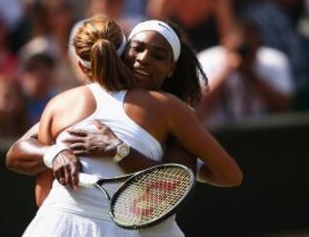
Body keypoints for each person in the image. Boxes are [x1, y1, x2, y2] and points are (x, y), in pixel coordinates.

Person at [17, 16, 242, 236]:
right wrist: (55, 153)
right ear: (122, 51)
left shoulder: (173, 111)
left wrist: (119, 150)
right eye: (137, 48)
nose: (144, 59)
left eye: (158, 55)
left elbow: (226, 176)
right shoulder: (66, 103)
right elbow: (23, 161)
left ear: (171, 68)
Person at [197, 20, 293, 126]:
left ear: (259, 44)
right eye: (238, 48)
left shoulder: (274, 61)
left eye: (248, 49)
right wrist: (226, 71)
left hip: (263, 131)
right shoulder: (207, 60)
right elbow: (198, 106)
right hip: (218, 132)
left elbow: (284, 106)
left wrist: (250, 74)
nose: (243, 54)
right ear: (225, 43)